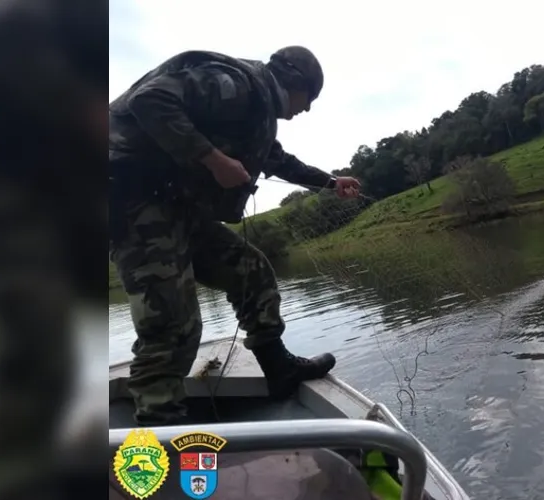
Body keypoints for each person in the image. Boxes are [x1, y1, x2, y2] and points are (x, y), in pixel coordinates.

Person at [108, 45, 362, 426]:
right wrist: (212, 159)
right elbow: (151, 100)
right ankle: (158, 429)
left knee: (251, 269)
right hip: (134, 204)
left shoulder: (253, 114)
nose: (306, 109)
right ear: (293, 82)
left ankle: (278, 368)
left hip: (177, 208)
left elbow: (276, 160)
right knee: (172, 324)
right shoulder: (234, 84)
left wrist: (329, 182)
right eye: (308, 98)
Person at [0, 1, 107, 499]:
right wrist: (79, 108)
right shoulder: (14, 25)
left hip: (55, 186)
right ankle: (15, 474)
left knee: (66, 340)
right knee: (36, 344)